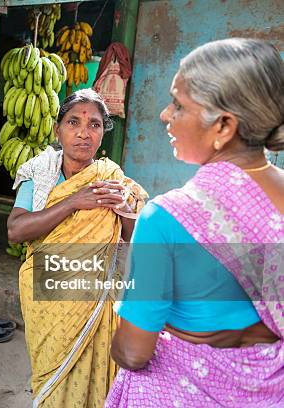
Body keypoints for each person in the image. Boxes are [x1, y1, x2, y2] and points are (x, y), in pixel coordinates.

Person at [106, 38, 284, 407]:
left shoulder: (167, 219)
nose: (165, 115)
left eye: (179, 105)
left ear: (223, 126)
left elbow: (133, 354)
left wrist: (156, 323)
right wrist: (255, 330)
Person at [7, 89, 148, 407]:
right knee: (53, 377)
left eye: (95, 124)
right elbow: (15, 230)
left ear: (102, 133)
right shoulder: (40, 174)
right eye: (73, 122)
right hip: (49, 292)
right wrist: (73, 201)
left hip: (97, 298)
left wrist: (127, 210)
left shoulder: (113, 180)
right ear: (58, 129)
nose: (84, 133)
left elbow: (133, 242)